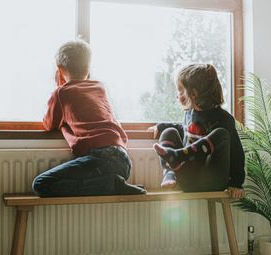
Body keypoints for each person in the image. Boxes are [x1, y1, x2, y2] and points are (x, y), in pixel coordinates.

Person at [32, 40, 146, 197]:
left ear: (60, 69)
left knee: (41, 184)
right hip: (123, 160)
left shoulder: (62, 93)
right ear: (88, 67)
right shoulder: (100, 87)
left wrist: (59, 89)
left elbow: (49, 124)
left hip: (101, 158)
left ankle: (110, 185)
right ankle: (112, 183)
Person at [150, 63, 245, 199]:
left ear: (193, 94)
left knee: (221, 134)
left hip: (212, 180)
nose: (178, 96)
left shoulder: (224, 119)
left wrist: (237, 183)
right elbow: (182, 129)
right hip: (186, 179)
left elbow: (237, 153)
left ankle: (179, 157)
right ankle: (170, 172)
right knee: (169, 132)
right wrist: (161, 127)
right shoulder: (189, 114)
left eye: (181, 90)